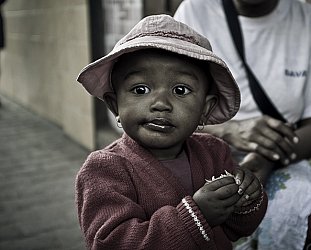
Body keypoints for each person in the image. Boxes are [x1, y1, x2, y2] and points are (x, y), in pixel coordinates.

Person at [75, 14, 267, 250]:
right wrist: (197, 216)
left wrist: (247, 198)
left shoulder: (214, 152)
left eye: (180, 89)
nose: (160, 103)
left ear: (205, 109)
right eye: (140, 89)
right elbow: (111, 243)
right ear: (115, 105)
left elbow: (238, 228)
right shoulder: (104, 170)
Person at [174, 0, 311, 249]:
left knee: (300, 209)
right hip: (199, 150)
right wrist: (230, 129)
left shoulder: (305, 19)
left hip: (283, 154)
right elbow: (172, 105)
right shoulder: (194, 11)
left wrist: (265, 158)